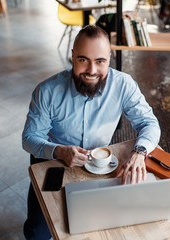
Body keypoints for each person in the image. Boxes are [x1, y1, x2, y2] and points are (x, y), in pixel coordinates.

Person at [22, 25, 161, 240]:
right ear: (73, 56)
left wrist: (139, 152)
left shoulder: (123, 85)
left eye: (100, 61)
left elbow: (149, 123)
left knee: (96, 223)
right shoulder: (47, 90)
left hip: (98, 165)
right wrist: (59, 151)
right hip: (52, 161)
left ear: (110, 58)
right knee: (39, 230)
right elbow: (29, 139)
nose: (92, 70)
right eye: (83, 59)